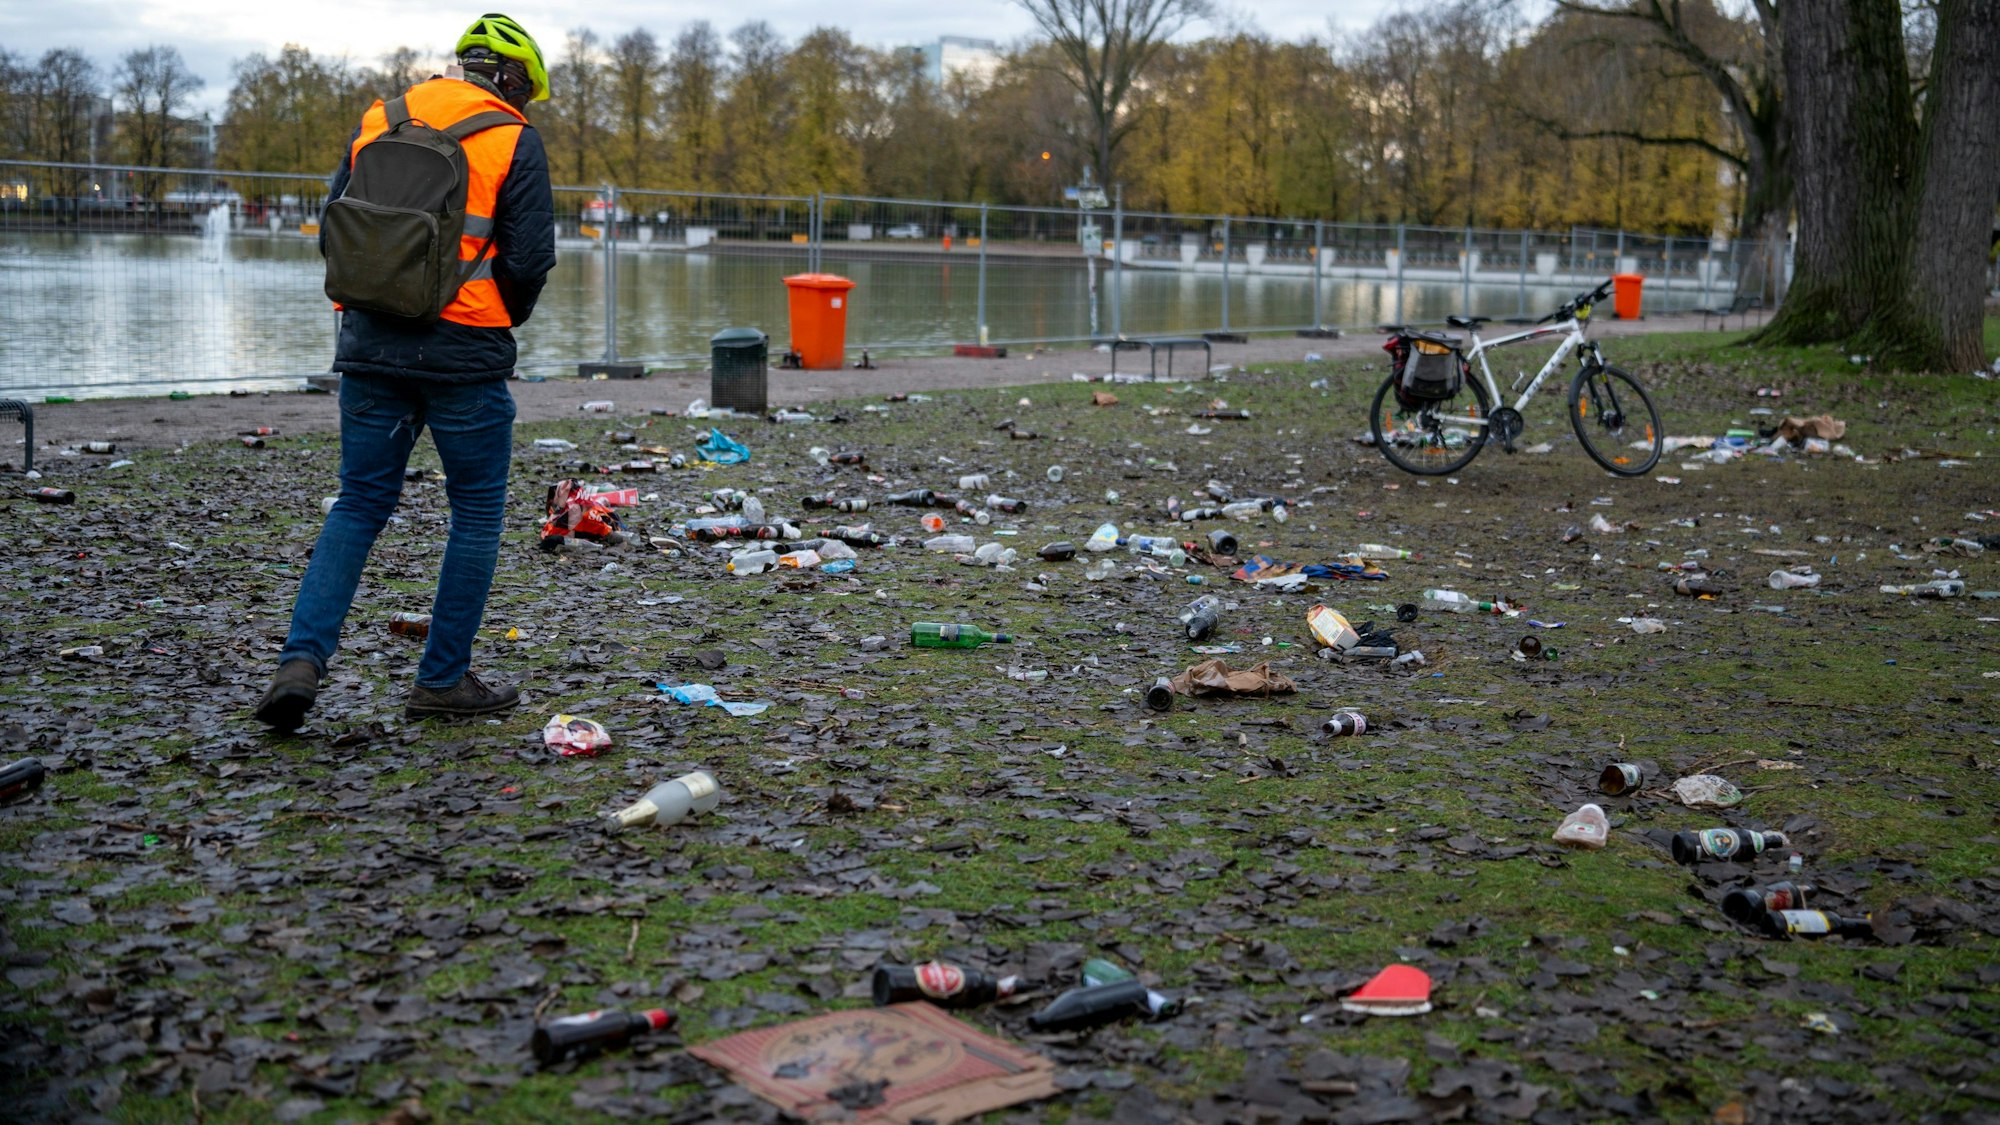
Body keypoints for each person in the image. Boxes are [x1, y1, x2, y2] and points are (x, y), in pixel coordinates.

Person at [255, 13, 556, 730]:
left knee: (358, 503)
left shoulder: (380, 118)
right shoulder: (513, 137)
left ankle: (300, 662)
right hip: (465, 352)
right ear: (512, 80)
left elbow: (335, 229)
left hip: (371, 343)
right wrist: (499, 318)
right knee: (475, 512)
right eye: (528, 92)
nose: (526, 104)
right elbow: (529, 260)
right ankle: (442, 679)